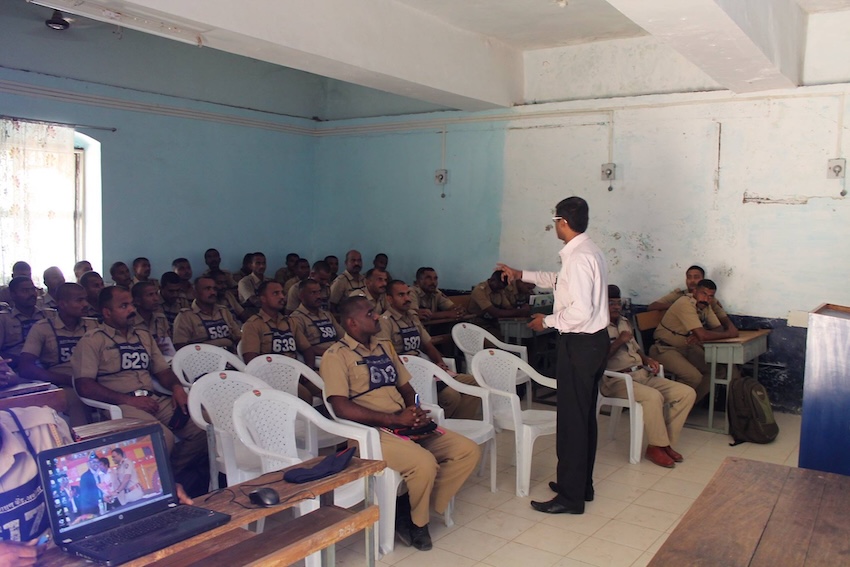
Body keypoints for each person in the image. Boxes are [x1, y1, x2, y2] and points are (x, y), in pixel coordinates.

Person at [322, 296, 480, 551]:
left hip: (404, 421)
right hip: (371, 431)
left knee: (467, 450)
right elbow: (340, 407)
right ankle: (418, 524)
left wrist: (415, 407)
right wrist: (393, 419)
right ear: (352, 322)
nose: (376, 316)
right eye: (370, 313)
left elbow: (408, 389)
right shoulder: (336, 356)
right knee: (424, 463)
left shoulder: (385, 346)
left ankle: (408, 506)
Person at [497, 196, 609, 515]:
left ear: (562, 222)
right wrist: (521, 274)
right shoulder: (590, 251)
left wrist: (546, 321)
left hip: (579, 343)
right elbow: (561, 283)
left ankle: (570, 498)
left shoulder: (578, 258)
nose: (554, 227)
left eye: (554, 222)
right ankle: (580, 485)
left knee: (573, 421)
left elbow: (580, 310)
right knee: (584, 417)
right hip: (595, 343)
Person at [71, 286, 207, 476]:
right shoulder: (93, 341)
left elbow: (162, 371)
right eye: (124, 306)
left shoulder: (143, 336)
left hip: (153, 399)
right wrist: (128, 401)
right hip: (120, 405)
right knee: (161, 438)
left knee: (203, 426)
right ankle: (163, 482)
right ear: (107, 312)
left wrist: (177, 387)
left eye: (132, 305)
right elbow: (84, 386)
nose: (132, 310)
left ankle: (174, 475)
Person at [602, 285, 695, 468]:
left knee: (687, 393)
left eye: (618, 303)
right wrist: (620, 340)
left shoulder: (623, 321)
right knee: (653, 397)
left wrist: (647, 359)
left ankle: (662, 444)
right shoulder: (596, 326)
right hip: (616, 380)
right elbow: (599, 360)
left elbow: (635, 349)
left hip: (640, 373)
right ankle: (657, 447)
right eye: (610, 303)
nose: (615, 306)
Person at [379, 280, 480, 419]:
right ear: (389, 299)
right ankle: (442, 427)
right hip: (407, 374)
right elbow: (387, 355)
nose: (407, 299)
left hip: (425, 367)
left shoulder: (412, 317)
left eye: (408, 294)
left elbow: (427, 344)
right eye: (401, 295)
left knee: (475, 383)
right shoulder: (384, 321)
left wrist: (439, 362)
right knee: (451, 396)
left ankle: (461, 424)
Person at [19, 283, 98, 426]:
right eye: (79, 300)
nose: (85, 304)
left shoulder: (93, 326)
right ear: (62, 304)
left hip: (95, 379)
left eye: (85, 299)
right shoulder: (42, 328)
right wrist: (66, 379)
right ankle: (82, 444)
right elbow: (26, 367)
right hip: (63, 384)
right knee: (74, 399)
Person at [649, 279, 739, 404]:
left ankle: (686, 406)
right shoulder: (685, 303)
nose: (706, 299)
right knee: (693, 377)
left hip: (686, 347)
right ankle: (668, 406)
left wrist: (703, 335)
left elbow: (717, 328)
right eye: (703, 294)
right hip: (665, 349)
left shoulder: (705, 305)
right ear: (695, 291)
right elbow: (704, 334)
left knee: (717, 371)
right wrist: (725, 334)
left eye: (710, 296)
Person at [241, 281, 318, 403]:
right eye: (276, 293)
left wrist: (308, 370)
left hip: (297, 372)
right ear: (263, 299)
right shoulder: (253, 325)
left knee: (329, 390)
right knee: (305, 397)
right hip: (272, 377)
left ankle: (329, 421)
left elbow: (307, 349)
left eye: (282, 293)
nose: (282, 297)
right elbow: (251, 360)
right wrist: (276, 375)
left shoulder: (290, 322)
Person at [648, 265, 737, 333]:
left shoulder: (708, 299)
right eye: (689, 277)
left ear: (703, 280)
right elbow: (652, 307)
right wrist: (676, 306)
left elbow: (723, 319)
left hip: (701, 335)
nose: (692, 281)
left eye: (696, 277)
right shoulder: (680, 295)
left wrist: (731, 331)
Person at [172, 277, 241, 352]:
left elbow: (238, 337)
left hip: (231, 355)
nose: (213, 292)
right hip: (203, 358)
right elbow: (180, 347)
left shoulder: (223, 311)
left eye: (214, 289)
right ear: (195, 293)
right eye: (207, 289)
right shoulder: (185, 316)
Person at [290, 278, 344, 370]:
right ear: (301, 296)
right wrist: (332, 351)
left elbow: (342, 336)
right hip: (319, 359)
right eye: (313, 293)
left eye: (319, 292)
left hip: (338, 354)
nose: (318, 296)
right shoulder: (296, 318)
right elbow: (304, 348)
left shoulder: (326, 314)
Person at [0, 278, 46, 367]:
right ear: (13, 295)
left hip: (47, 364)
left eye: (33, 289)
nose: (32, 294)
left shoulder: (48, 315)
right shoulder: (3, 319)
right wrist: (21, 361)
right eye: (25, 291)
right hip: (16, 367)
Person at [131, 281, 173, 356]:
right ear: (137, 301)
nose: (156, 299)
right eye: (150, 295)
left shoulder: (161, 319)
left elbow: (168, 347)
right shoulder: (130, 321)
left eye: (156, 294)